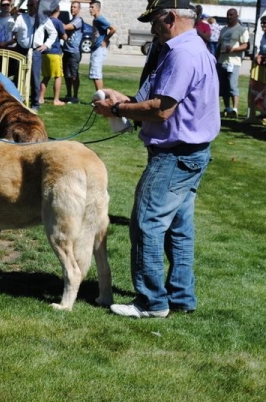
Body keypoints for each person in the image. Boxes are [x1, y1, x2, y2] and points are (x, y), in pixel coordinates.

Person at [94, 0, 219, 318]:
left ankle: (151, 302)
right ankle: (180, 297)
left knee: (147, 224)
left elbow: (162, 110)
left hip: (174, 156)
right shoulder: (192, 47)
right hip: (191, 154)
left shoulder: (182, 53)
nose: (151, 27)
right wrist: (127, 100)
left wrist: (117, 110)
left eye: (154, 20)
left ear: (171, 17)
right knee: (179, 230)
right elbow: (159, 99)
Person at [12, 0, 57, 111]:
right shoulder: (21, 17)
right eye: (29, 5)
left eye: (32, 5)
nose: (30, 7)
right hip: (21, 49)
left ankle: (35, 103)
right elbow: (14, 29)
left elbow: (53, 33)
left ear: (37, 6)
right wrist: (14, 18)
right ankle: (17, 100)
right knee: (18, 75)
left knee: (34, 78)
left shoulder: (43, 18)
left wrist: (46, 45)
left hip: (36, 51)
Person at [217, 8, 249, 119]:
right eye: (228, 15)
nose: (229, 17)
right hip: (222, 61)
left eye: (231, 15)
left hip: (233, 62)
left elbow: (246, 45)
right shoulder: (223, 29)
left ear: (236, 16)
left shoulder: (241, 29)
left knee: (232, 85)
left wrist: (233, 50)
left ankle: (235, 109)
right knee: (223, 86)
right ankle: (227, 108)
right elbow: (219, 44)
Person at [38, 6, 65, 106]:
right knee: (58, 76)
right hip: (55, 51)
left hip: (44, 51)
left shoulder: (45, 20)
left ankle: (41, 98)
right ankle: (56, 100)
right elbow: (64, 35)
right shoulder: (57, 22)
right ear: (58, 11)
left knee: (46, 77)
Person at [88, 0, 116, 90]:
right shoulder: (95, 20)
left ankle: (100, 99)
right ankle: (99, 98)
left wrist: (106, 39)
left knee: (96, 74)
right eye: (90, 7)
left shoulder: (100, 19)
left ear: (97, 9)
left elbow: (113, 29)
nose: (90, 9)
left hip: (99, 49)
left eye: (92, 7)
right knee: (94, 74)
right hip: (95, 49)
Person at [244, 15, 266, 124]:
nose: (263, 25)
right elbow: (261, 50)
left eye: (265, 23)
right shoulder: (263, 36)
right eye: (262, 23)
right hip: (261, 67)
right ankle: (258, 114)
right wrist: (258, 55)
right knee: (258, 90)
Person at [62, 1, 83, 104]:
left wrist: (56, 22)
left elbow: (67, 27)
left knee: (74, 75)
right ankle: (68, 94)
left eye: (74, 7)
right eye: (71, 7)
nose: (72, 9)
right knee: (67, 75)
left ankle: (75, 96)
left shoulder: (78, 20)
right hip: (66, 50)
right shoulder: (71, 19)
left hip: (74, 52)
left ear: (79, 9)